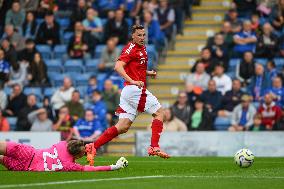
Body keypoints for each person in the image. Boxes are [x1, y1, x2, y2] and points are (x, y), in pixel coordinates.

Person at [85, 25, 170, 166]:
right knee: (160, 113)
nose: (142, 38)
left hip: (130, 91)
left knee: (122, 126)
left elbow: (136, 68)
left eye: (144, 35)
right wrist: (132, 81)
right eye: (139, 35)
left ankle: (93, 146)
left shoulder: (142, 48)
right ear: (133, 36)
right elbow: (118, 66)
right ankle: (154, 147)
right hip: (133, 89)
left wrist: (148, 73)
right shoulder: (130, 48)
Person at [0, 140, 128, 171]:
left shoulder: (62, 144)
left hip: (28, 152)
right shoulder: (69, 165)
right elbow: (91, 169)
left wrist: (86, 148)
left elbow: (74, 144)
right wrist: (113, 166)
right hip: (25, 167)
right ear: (77, 155)